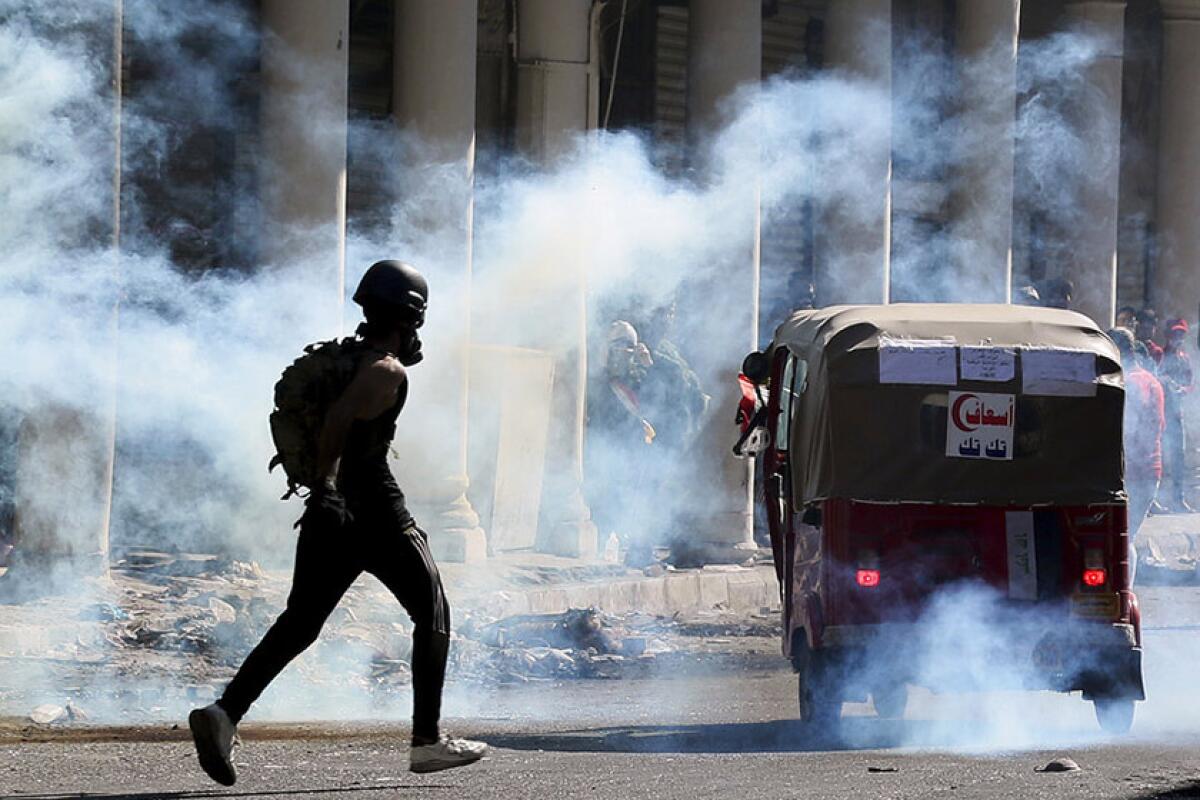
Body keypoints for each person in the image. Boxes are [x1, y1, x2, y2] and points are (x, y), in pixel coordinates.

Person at [187, 261, 487, 786]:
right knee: (433, 609)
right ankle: (427, 741)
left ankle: (224, 713)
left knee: (300, 623)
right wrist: (328, 484)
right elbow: (339, 421)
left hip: (330, 514)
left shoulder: (342, 357)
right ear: (412, 314)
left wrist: (323, 495)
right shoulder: (385, 369)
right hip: (372, 508)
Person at [1108, 329, 1164, 584]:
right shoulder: (1151, 380)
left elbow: (1130, 426)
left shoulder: (1131, 381)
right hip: (1147, 470)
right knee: (1124, 536)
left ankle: (1123, 596)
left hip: (1134, 471)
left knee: (1123, 536)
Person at [1158, 319, 1194, 513]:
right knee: (1160, 456)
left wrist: (1182, 390)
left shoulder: (1184, 358)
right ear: (1168, 335)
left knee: (1178, 457)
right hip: (1161, 414)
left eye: (1181, 335)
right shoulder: (1160, 355)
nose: (1178, 338)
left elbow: (1190, 383)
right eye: (1174, 334)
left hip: (1177, 414)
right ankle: (1156, 499)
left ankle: (1177, 499)